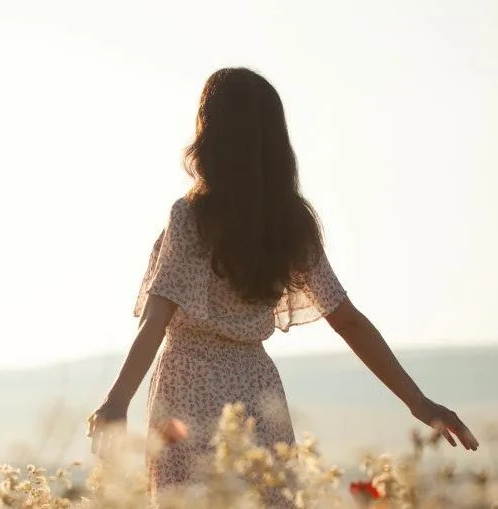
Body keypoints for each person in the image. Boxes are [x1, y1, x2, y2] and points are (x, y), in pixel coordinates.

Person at [86, 67, 479, 503]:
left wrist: (117, 400)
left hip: (185, 387)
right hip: (257, 392)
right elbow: (347, 319)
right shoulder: (291, 224)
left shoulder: (192, 216)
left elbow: (157, 319)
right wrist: (418, 402)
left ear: (210, 136)